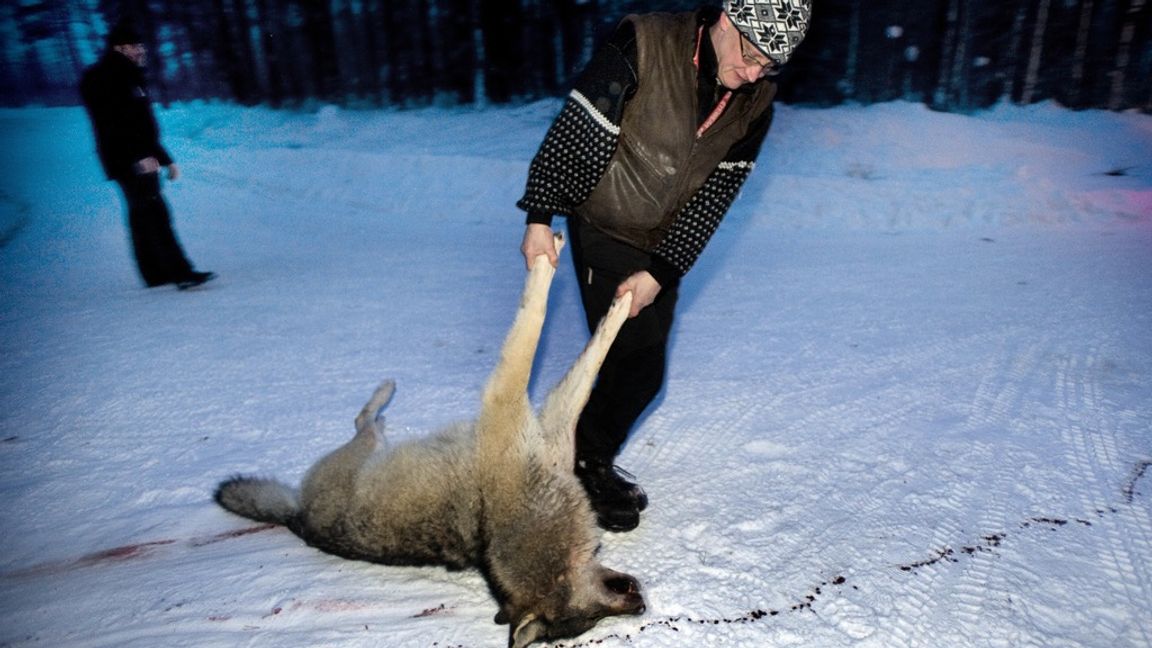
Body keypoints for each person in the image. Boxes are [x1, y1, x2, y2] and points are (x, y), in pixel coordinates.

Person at [517, 0, 811, 532]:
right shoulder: (645, 43)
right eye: (750, 55)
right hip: (605, 223)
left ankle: (576, 452)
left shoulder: (756, 99)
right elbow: (577, 133)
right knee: (640, 364)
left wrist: (661, 270)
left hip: (663, 242)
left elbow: (716, 196)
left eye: (769, 65)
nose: (752, 74)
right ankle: (582, 464)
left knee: (635, 363)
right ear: (726, 21)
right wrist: (541, 216)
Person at [80, 19, 215, 290]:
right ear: (120, 48)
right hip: (129, 158)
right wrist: (135, 158)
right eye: (135, 46)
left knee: (142, 213)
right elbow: (113, 125)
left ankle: (154, 273)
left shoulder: (127, 75)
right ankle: (181, 272)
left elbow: (141, 125)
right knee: (155, 211)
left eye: (141, 45)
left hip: (135, 156)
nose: (141, 50)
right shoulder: (107, 78)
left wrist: (165, 158)